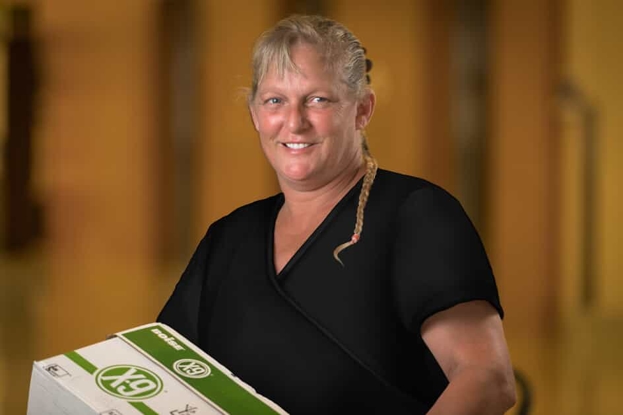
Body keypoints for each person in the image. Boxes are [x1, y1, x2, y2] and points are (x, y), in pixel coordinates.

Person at [158, 14, 516, 415]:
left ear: (362, 109)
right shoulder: (230, 237)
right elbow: (162, 371)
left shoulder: (416, 215)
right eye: (275, 100)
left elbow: (487, 379)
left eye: (318, 100)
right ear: (255, 113)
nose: (294, 122)